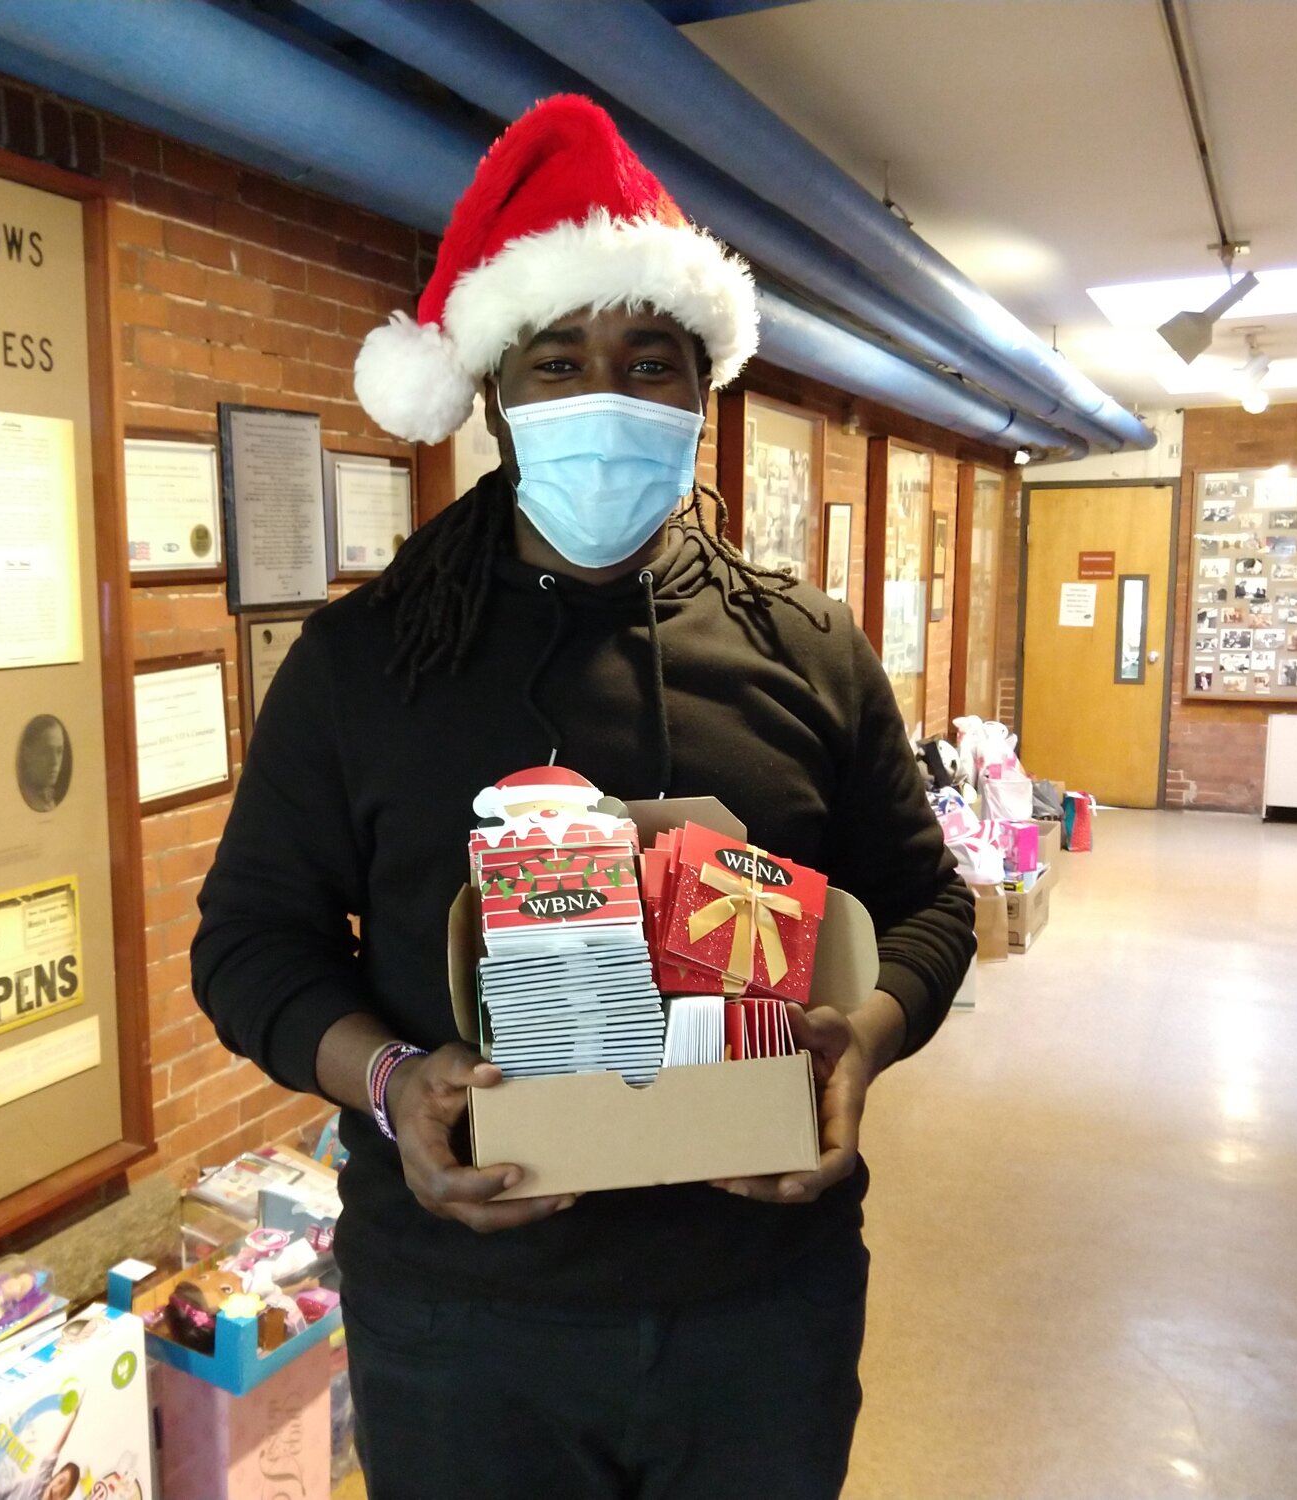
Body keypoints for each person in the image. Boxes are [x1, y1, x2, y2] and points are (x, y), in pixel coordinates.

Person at [191, 96, 973, 1500]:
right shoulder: (368, 662)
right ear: (494, 395)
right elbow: (250, 943)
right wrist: (385, 1081)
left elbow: (927, 905)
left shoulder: (806, 649)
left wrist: (861, 1040)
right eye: (561, 360)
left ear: (700, 393)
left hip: (761, 1306)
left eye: (650, 360)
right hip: (463, 1317)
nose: (607, 395)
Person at [17, 715, 71, 812]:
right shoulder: (23, 798)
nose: (55, 762)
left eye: (59, 752)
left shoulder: (50, 801)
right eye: (46, 752)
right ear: (28, 754)